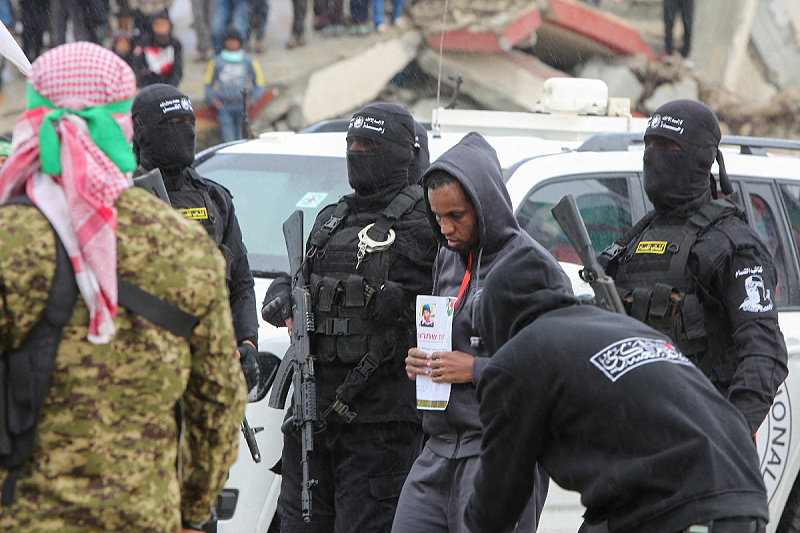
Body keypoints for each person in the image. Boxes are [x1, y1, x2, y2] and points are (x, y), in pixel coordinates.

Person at [0, 41, 246, 532]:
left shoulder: (11, 240)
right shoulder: (183, 246)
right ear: (123, 126)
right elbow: (218, 402)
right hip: (147, 515)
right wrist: (193, 513)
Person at [464, 246, 770, 533]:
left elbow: (497, 502)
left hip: (685, 505)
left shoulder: (518, 358)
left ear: (496, 314)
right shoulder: (619, 326)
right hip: (740, 491)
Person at [261, 102, 438, 532]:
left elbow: (450, 311)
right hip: (312, 419)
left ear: (402, 154)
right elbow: (300, 277)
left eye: (369, 145)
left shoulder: (428, 225)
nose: (357, 153)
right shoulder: (331, 219)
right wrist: (283, 294)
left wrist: (402, 305)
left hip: (381, 426)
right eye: (352, 144)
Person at [396, 132, 566, 533]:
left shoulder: (533, 267)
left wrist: (474, 369)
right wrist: (421, 360)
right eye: (438, 217)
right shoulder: (448, 257)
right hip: (437, 448)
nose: (446, 228)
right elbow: (446, 338)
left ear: (484, 205)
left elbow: (554, 370)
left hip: (500, 452)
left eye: (456, 216)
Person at [600, 99, 788, 434]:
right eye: (650, 145)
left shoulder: (733, 245)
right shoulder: (633, 240)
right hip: (631, 437)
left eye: (668, 146)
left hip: (699, 439)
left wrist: (729, 438)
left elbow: (765, 355)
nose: (654, 156)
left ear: (701, 159)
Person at [131, 82, 260, 396]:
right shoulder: (122, 197)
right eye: (173, 125)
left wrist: (247, 342)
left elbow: (240, 281)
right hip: (145, 374)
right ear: (143, 133)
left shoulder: (214, 198)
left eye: (190, 123)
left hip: (209, 368)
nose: (185, 132)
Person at [204, 27, 264, 143]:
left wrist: (253, 99)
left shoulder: (249, 60)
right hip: (224, 107)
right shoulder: (216, 61)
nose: (231, 43)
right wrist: (214, 101)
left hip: (243, 106)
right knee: (228, 140)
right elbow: (208, 83)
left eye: (234, 40)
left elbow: (259, 81)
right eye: (229, 40)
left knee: (244, 138)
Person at [132, 10, 184, 88]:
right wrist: (140, 86)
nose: (161, 28)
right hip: (147, 83)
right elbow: (136, 65)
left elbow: (178, 69)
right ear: (152, 26)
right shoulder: (144, 42)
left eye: (164, 24)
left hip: (168, 83)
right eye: (157, 24)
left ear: (170, 26)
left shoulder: (175, 44)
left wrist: (172, 86)